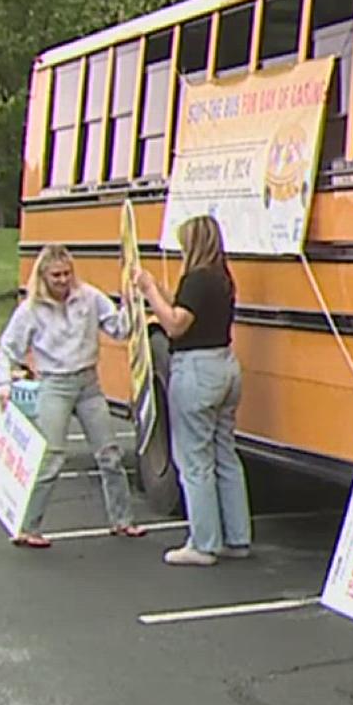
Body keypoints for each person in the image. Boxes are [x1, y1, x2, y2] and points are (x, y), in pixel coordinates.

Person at [0, 244, 146, 547]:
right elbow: (8, 349)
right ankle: (28, 526)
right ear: (44, 276)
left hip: (88, 383)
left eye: (67, 274)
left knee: (110, 454)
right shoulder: (31, 309)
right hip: (55, 384)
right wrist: (3, 383)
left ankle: (122, 520)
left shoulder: (88, 296)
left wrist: (132, 304)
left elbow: (118, 329)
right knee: (51, 456)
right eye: (56, 276)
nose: (63, 281)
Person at [137, 215, 249, 567]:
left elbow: (174, 325)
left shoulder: (195, 278)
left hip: (196, 370)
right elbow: (188, 310)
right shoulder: (222, 279)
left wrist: (150, 290)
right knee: (224, 454)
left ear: (193, 243)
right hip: (226, 365)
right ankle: (237, 537)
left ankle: (203, 543)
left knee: (194, 459)